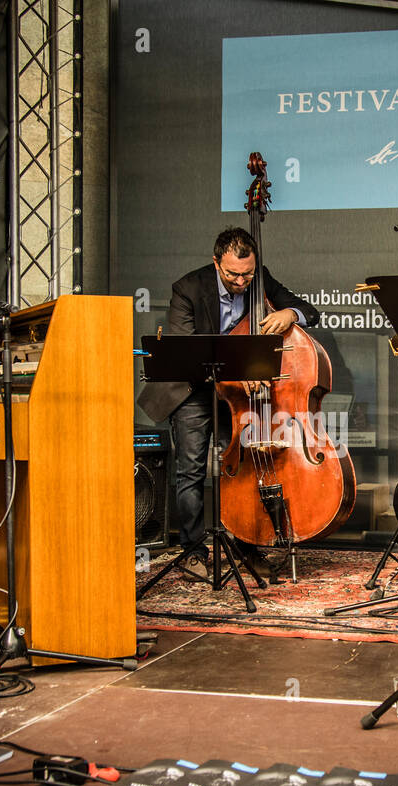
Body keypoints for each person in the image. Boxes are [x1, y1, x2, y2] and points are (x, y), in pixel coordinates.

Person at [136, 227, 319, 575]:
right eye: (232, 274)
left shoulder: (259, 279)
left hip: (238, 396)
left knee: (246, 468)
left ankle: (248, 547)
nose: (240, 282)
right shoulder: (188, 289)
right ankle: (192, 552)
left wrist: (290, 314)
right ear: (216, 262)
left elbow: (310, 310)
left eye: (247, 274)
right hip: (193, 388)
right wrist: (235, 373)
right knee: (190, 471)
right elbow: (187, 353)